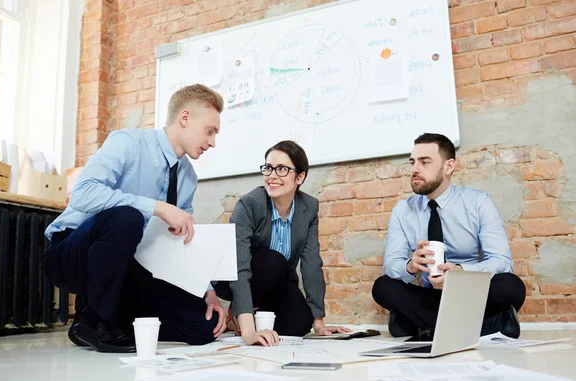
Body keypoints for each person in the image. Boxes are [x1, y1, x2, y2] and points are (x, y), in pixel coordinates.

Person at [43, 84, 227, 353]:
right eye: (210, 131)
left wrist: (207, 290)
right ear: (185, 118)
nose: (212, 141)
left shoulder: (188, 177)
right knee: (126, 217)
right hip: (72, 252)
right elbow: (82, 194)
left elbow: (179, 241)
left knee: (202, 327)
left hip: (127, 264)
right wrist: (157, 207)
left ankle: (113, 317)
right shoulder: (129, 143)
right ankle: (94, 321)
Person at [372, 133, 526, 339]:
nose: (414, 169)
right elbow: (391, 263)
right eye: (413, 162)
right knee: (383, 286)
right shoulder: (403, 210)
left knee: (511, 286)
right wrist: (410, 266)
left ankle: (420, 326)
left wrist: (460, 272)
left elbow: (502, 262)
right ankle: (489, 324)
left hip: (468, 291)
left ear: (448, 167)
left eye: (424, 162)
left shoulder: (478, 203)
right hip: (429, 295)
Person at [214, 140, 350, 346]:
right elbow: (239, 266)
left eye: (282, 169)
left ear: (300, 177)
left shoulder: (309, 208)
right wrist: (249, 333)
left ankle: (251, 318)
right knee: (273, 260)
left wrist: (319, 322)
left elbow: (311, 262)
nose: (272, 176)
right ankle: (241, 316)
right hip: (238, 275)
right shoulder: (250, 204)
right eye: (268, 168)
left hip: (278, 279)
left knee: (299, 325)